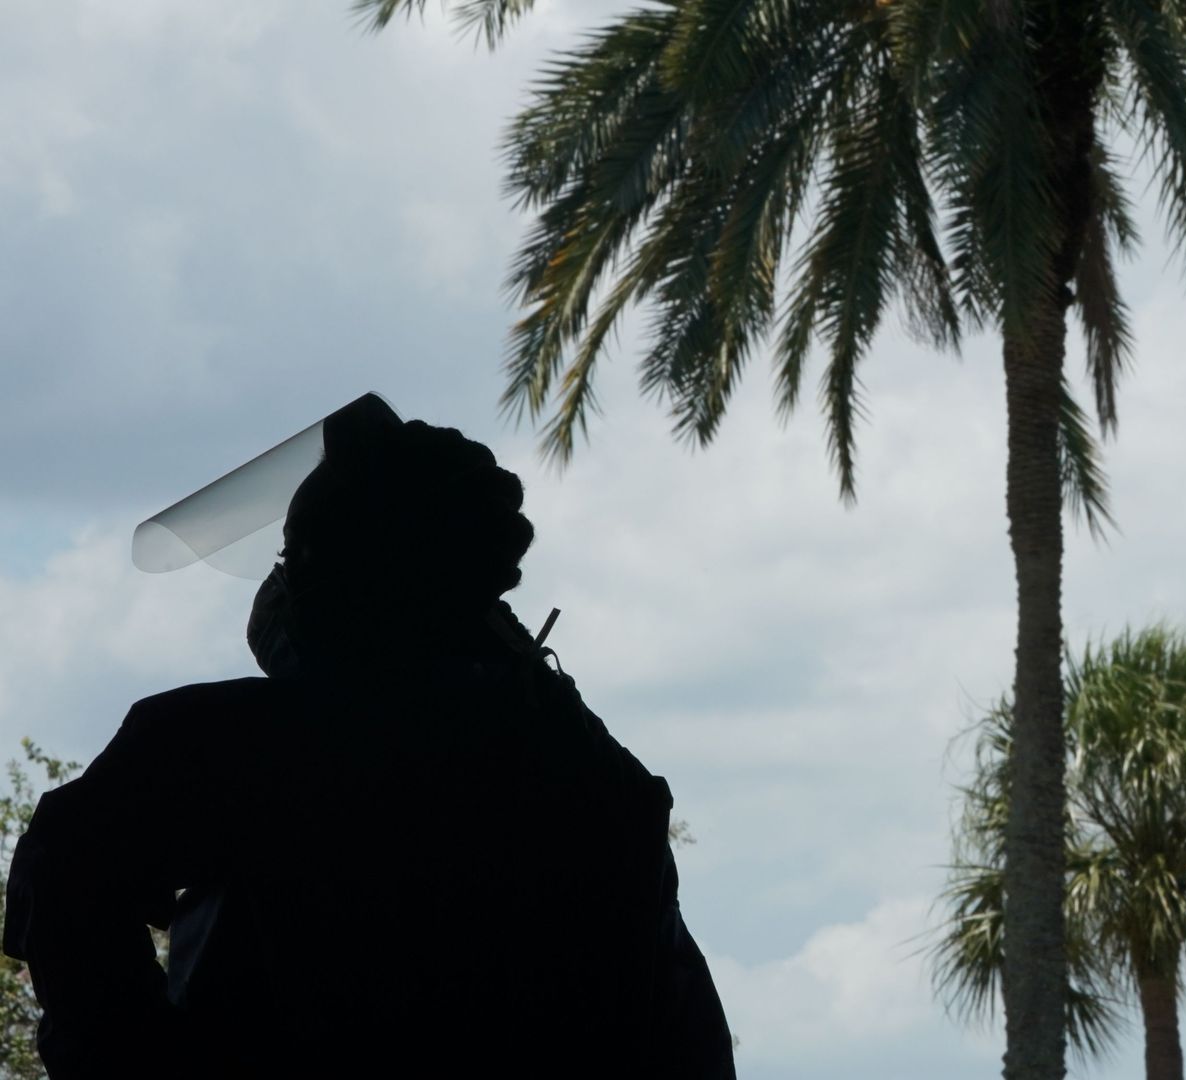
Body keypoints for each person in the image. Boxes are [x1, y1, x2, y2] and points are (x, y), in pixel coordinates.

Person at [4, 406, 735, 1078]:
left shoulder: (231, 743)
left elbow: (66, 878)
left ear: (345, 577)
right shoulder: (591, 782)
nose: (281, 584)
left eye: (294, 559)